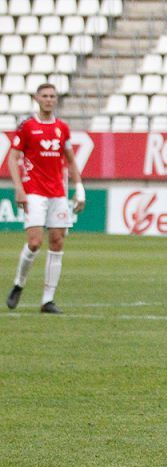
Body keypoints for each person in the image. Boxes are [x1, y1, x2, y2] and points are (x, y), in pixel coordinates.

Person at [5, 83, 85, 314]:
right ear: (37, 99)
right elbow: (13, 158)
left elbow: (70, 160)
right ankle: (19, 283)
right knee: (34, 242)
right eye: (45, 96)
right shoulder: (27, 127)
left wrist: (79, 188)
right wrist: (19, 188)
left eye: (53, 96)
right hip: (34, 191)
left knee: (58, 242)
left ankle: (47, 300)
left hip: (57, 193)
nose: (49, 100)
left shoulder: (62, 128)